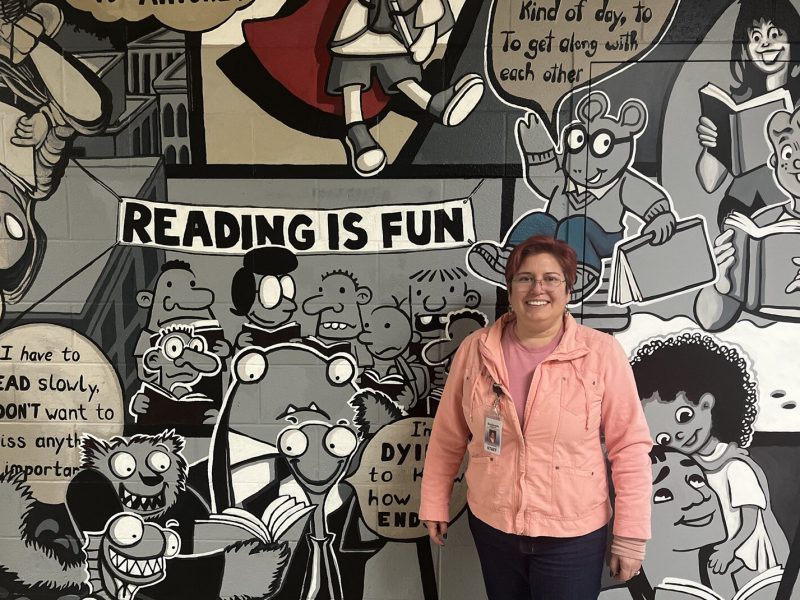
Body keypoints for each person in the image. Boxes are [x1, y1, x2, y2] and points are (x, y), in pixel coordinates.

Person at [420, 235, 653, 600]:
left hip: (573, 536)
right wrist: (435, 500)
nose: (537, 288)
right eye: (525, 278)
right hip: (494, 527)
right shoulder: (476, 351)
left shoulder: (601, 353)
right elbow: (449, 435)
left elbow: (630, 448)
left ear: (568, 289)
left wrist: (630, 534)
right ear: (510, 289)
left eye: (550, 278)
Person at [695, 0, 800, 227]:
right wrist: (711, 145)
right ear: (745, 49)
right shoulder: (737, 109)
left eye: (775, 34)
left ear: (792, 38)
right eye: (755, 37)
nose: (765, 44)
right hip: (744, 212)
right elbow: (710, 182)